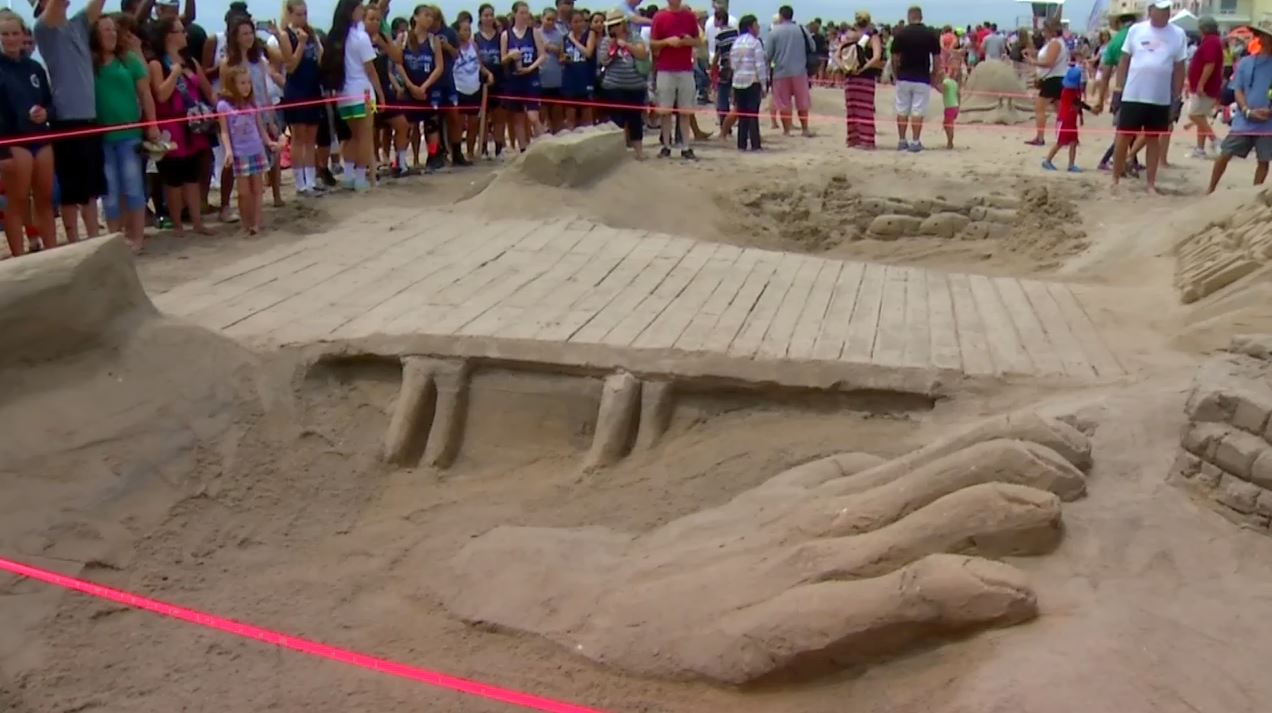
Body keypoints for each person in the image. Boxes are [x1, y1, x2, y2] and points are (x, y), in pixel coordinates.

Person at [35, 0, 109, 244]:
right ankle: (75, 242)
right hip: (66, 120)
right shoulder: (43, 29)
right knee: (70, 190)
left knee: (90, 188)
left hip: (88, 117)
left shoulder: (77, 23)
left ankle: (93, 239)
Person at [91, 11, 157, 253]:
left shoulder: (128, 59)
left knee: (132, 187)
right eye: (105, 29)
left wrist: (152, 124)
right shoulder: (91, 63)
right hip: (102, 137)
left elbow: (145, 94)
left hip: (129, 134)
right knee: (109, 191)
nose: (110, 34)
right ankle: (115, 239)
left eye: (113, 29)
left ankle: (137, 238)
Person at [149, 15, 214, 236]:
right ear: (169, 36)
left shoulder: (191, 61)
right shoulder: (157, 64)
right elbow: (161, 94)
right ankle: (177, 224)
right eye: (180, 31)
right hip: (172, 125)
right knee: (174, 179)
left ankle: (197, 222)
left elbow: (206, 89)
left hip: (193, 124)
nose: (185, 35)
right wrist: (175, 72)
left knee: (192, 175)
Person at [1112, 0, 1186, 193]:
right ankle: (1115, 179)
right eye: (1161, 9)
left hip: (1160, 96)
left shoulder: (1178, 34)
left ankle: (1151, 183)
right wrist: (1118, 89)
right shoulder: (1136, 30)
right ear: (1151, 10)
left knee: (1154, 139)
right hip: (1134, 93)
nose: (1165, 13)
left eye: (1167, 9)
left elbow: (1179, 67)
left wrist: (1177, 97)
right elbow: (1124, 61)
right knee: (1123, 136)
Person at [0, 10, 57, 257]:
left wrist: (46, 113)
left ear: (23, 35)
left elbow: (49, 102)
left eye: (15, 33)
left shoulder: (34, 67)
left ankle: (53, 253)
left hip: (39, 138)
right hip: (13, 140)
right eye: (5, 34)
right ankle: (19, 258)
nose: (11, 38)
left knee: (45, 199)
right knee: (17, 202)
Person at [221, 16, 284, 208]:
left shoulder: (259, 60)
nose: (249, 37)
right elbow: (225, 91)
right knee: (235, 160)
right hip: (238, 115)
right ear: (235, 37)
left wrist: (270, 116)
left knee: (272, 154)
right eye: (244, 34)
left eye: (251, 33)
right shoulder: (228, 63)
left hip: (261, 110)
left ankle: (276, 195)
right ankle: (225, 204)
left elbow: (263, 89)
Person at [320, 0, 384, 191]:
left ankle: (348, 175)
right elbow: (370, 70)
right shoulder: (360, 37)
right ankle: (360, 177)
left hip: (343, 94)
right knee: (364, 136)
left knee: (349, 137)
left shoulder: (336, 37)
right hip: (361, 91)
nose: (361, 11)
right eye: (359, 9)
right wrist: (380, 94)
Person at [1207, 19, 1272, 193]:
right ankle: (1211, 189)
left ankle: (1254, 194)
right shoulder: (1246, 62)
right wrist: (1246, 110)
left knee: (1263, 160)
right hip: (1245, 120)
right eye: (1264, 35)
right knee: (1225, 154)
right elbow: (1238, 90)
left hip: (1268, 123)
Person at [217, 66, 278, 235]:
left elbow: (260, 127)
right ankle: (246, 223)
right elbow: (224, 131)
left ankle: (256, 223)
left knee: (258, 190)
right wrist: (228, 151)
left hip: (256, 150)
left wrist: (268, 142)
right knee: (243, 192)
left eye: (248, 83)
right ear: (232, 85)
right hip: (239, 153)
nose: (246, 87)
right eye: (242, 83)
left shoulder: (252, 103)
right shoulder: (224, 106)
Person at [278, 0, 324, 196]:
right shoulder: (285, 34)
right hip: (296, 89)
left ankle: (311, 181)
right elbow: (290, 66)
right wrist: (302, 44)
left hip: (313, 87)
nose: (302, 18)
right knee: (298, 137)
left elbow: (319, 60)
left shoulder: (311, 33)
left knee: (311, 137)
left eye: (304, 14)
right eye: (298, 14)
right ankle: (300, 183)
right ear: (289, 15)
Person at [649, 0, 701, 159]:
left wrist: (686, 41)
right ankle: (666, 145)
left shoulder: (690, 16)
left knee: (686, 110)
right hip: (665, 69)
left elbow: (698, 41)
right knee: (665, 110)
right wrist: (666, 42)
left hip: (685, 69)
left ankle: (686, 146)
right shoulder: (659, 17)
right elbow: (652, 44)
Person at [1094, 0, 1139, 173]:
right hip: (1141, 89)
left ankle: (1130, 160)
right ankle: (1108, 159)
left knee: (1125, 128)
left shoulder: (1115, 42)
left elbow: (1105, 75)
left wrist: (1100, 99)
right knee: (1129, 130)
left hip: (1122, 90)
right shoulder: (1141, 35)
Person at [597, 8, 648, 159]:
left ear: (623, 23)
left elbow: (642, 53)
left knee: (635, 120)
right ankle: (618, 153)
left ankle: (639, 151)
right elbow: (603, 60)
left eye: (617, 24)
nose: (615, 28)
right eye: (612, 25)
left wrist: (625, 45)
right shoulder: (607, 40)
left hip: (635, 85)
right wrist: (613, 47)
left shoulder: (635, 36)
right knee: (616, 120)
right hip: (614, 85)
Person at [891, 5, 940, 153]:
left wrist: (895, 74)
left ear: (908, 17)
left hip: (904, 76)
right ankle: (915, 141)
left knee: (902, 109)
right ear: (921, 17)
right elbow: (937, 59)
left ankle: (901, 140)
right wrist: (934, 75)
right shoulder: (930, 34)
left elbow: (894, 58)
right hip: (922, 76)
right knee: (918, 111)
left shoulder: (901, 34)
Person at [400, 4, 443, 172]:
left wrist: (424, 87)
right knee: (410, 126)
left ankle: (432, 156)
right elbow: (398, 64)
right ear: (416, 17)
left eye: (431, 16)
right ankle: (411, 159)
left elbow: (439, 67)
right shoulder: (404, 38)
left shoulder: (434, 40)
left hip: (429, 89)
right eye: (426, 15)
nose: (429, 19)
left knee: (431, 125)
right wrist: (410, 86)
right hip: (409, 88)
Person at [501, 1, 545, 152]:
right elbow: (502, 59)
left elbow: (542, 55)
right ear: (515, 14)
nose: (525, 16)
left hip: (530, 78)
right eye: (522, 13)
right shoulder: (506, 35)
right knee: (518, 118)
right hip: (514, 79)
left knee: (533, 116)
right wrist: (510, 56)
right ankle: (523, 150)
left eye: (527, 13)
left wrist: (531, 68)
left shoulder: (534, 32)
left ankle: (544, 146)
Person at [764, 5, 814, 137]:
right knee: (802, 101)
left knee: (783, 102)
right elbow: (812, 47)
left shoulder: (774, 32)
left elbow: (768, 54)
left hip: (781, 71)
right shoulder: (801, 29)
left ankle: (787, 130)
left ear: (780, 15)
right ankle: (805, 128)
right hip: (800, 70)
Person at [842, 11, 883, 150]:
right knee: (865, 108)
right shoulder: (872, 36)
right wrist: (864, 67)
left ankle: (853, 139)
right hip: (865, 77)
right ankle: (867, 140)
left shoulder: (849, 36)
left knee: (852, 109)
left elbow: (837, 54)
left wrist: (845, 67)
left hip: (850, 77)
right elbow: (876, 57)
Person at [1024, 19, 1068, 146]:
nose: (1043, 33)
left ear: (1051, 31)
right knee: (1060, 110)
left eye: (1045, 30)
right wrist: (1034, 54)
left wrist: (1033, 62)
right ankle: (1065, 136)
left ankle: (1040, 137)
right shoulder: (1055, 43)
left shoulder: (1055, 43)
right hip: (1055, 78)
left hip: (1052, 79)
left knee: (1040, 108)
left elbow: (1049, 62)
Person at [1187, 16, 1224, 159]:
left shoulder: (1211, 42)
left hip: (1206, 87)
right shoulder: (1211, 41)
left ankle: (1215, 140)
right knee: (1200, 116)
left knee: (1194, 114)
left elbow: (1210, 64)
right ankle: (1200, 148)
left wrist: (1201, 84)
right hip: (1205, 85)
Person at [1043, 65, 1092, 172]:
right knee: (1060, 142)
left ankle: (1071, 165)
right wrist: (1091, 109)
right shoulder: (1067, 91)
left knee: (1073, 142)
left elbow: (1077, 103)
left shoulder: (1076, 90)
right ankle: (1047, 160)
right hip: (1064, 119)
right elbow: (1077, 103)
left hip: (1071, 120)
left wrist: (1081, 115)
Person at [728, 13, 764, 151]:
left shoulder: (736, 43)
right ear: (750, 27)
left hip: (738, 81)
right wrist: (764, 83)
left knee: (742, 114)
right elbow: (759, 65)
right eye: (756, 25)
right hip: (752, 81)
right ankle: (755, 144)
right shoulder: (755, 42)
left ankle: (741, 144)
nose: (758, 28)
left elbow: (732, 64)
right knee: (753, 114)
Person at [475, 3, 507, 157]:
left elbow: (504, 56)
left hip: (500, 78)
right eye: (485, 15)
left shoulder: (501, 36)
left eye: (491, 15)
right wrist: (486, 72)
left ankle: (499, 147)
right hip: (483, 79)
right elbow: (476, 60)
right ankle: (483, 146)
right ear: (480, 18)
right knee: (484, 115)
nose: (488, 18)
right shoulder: (476, 37)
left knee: (499, 115)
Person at [560, 9, 595, 129]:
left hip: (585, 75)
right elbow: (561, 57)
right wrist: (563, 59)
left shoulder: (589, 34)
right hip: (570, 76)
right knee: (570, 112)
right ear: (570, 23)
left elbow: (588, 53)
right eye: (575, 22)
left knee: (587, 112)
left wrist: (574, 40)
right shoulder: (564, 38)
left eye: (581, 21)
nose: (579, 24)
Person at [706, 4, 735, 132]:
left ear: (719, 20)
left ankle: (725, 125)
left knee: (722, 99)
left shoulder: (719, 36)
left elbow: (717, 56)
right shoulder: (735, 32)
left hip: (725, 69)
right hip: (736, 67)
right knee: (735, 98)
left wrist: (712, 70)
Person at [538, 7, 565, 133]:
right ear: (542, 18)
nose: (550, 22)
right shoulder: (535, 33)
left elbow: (561, 52)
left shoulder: (560, 35)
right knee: (541, 112)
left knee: (557, 112)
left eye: (553, 20)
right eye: (548, 19)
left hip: (556, 78)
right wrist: (550, 47)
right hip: (540, 77)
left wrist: (557, 51)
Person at [940, 72, 958, 149]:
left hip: (949, 107)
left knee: (948, 126)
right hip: (955, 106)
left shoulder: (946, 82)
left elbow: (942, 89)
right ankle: (950, 141)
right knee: (947, 124)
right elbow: (958, 94)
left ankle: (950, 143)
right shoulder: (954, 83)